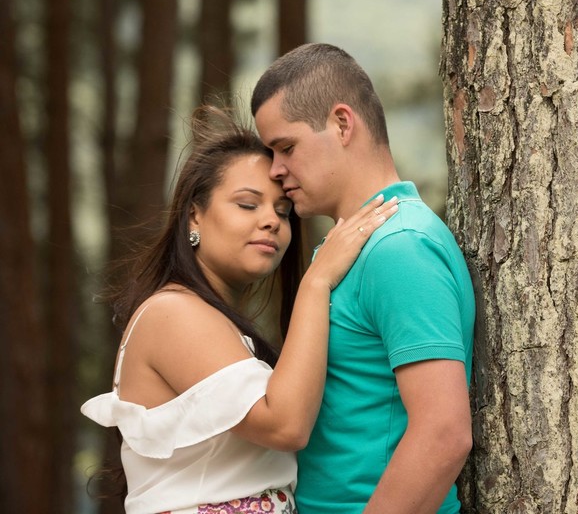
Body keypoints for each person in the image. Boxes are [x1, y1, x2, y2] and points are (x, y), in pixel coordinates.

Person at [83, 106, 400, 514]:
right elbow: (284, 425)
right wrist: (316, 282)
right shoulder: (172, 312)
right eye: (248, 205)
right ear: (194, 213)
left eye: (282, 211)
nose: (271, 221)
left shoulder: (214, 322)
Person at [250, 42, 475, 514]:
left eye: (286, 147)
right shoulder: (354, 247)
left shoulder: (399, 249)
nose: (276, 170)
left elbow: (444, 433)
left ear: (342, 123)